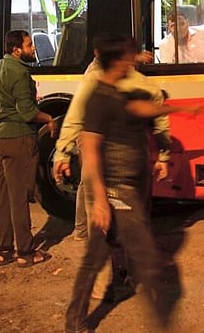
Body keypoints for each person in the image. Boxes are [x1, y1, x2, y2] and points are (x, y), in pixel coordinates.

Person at [57, 34, 202, 333]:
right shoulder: (98, 96)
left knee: (95, 258)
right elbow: (92, 150)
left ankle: (75, 320)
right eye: (128, 56)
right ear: (116, 61)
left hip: (127, 187)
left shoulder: (119, 93)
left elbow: (141, 110)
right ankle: (163, 324)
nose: (133, 60)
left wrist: (180, 110)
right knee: (147, 260)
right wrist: (99, 199)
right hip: (115, 191)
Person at [53, 45, 171, 300]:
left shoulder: (94, 81)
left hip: (103, 161)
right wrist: (163, 157)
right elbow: (161, 123)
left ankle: (102, 285)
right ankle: (134, 277)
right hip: (131, 164)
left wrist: (63, 152)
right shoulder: (143, 84)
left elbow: (75, 118)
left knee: (102, 224)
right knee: (135, 222)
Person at [0, 30, 57, 267]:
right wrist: (49, 118)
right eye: (29, 45)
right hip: (17, 137)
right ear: (17, 50)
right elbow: (27, 112)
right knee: (19, 196)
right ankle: (26, 251)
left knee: (2, 196)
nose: (33, 48)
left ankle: (4, 250)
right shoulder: (20, 71)